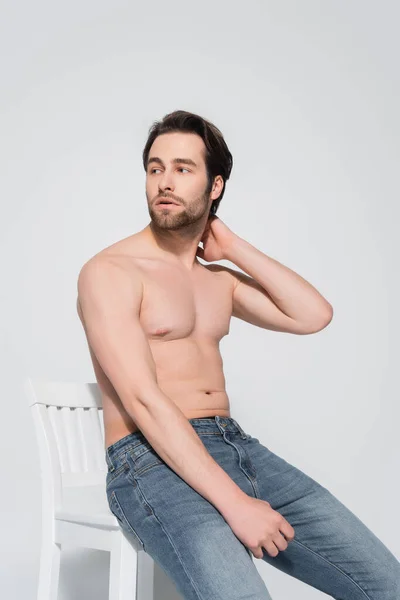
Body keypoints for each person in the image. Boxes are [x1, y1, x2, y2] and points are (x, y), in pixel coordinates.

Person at [77, 110, 400, 599]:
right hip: (147, 460)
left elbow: (314, 314)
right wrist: (236, 504)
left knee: (385, 584)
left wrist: (234, 247)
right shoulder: (111, 271)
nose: (164, 181)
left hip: (236, 447)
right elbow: (142, 401)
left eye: (183, 169)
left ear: (215, 185)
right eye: (155, 167)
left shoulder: (218, 280)